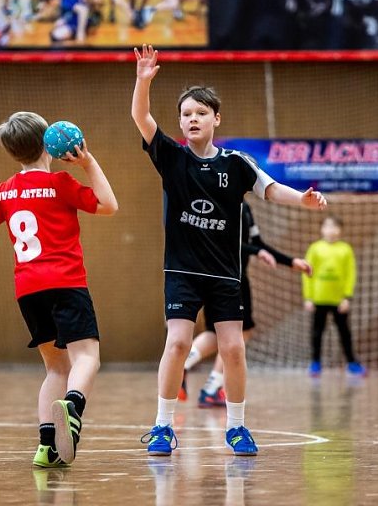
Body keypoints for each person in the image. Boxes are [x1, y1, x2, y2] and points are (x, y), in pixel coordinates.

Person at [132, 44, 327, 457]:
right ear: (181, 123)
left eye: (201, 112)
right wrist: (143, 81)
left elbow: (270, 189)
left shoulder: (237, 163)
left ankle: (236, 427)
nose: (193, 119)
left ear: (216, 119)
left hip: (225, 273)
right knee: (178, 343)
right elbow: (141, 118)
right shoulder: (171, 158)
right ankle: (163, 426)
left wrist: (304, 200)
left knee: (234, 348)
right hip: (182, 271)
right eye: (186, 114)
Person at [0, 111, 117, 467]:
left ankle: (46, 447)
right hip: (66, 283)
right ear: (49, 143)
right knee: (86, 357)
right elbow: (109, 205)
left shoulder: (5, 190)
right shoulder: (60, 183)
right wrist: (87, 162)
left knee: (55, 369)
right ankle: (73, 407)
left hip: (28, 290)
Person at [180, 198, 312, 407]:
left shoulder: (246, 207)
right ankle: (211, 386)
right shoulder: (219, 202)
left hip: (232, 277)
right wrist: (256, 252)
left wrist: (289, 261)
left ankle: (185, 366)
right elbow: (222, 240)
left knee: (218, 334)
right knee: (238, 333)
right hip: (227, 279)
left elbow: (256, 243)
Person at [302, 216, 364, 377]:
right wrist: (308, 297)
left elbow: (351, 274)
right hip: (318, 299)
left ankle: (352, 363)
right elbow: (306, 273)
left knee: (345, 332)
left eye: (335, 227)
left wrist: (347, 297)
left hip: (339, 300)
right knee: (317, 332)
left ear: (341, 230)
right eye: (327, 226)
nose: (331, 230)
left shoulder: (346, 249)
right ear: (322, 229)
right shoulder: (315, 248)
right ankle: (315, 363)